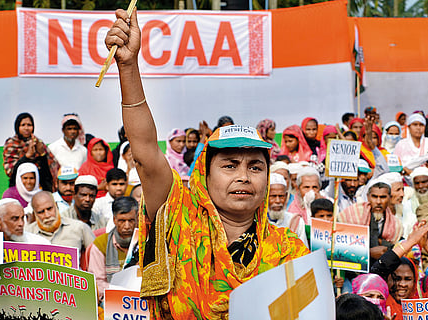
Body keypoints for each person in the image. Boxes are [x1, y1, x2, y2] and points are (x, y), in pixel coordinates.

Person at [104, 10, 309, 318]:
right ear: (204, 173)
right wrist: (129, 67)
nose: (243, 177)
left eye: (255, 167)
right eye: (229, 165)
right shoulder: (179, 218)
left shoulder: (289, 252)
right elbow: (145, 154)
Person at [371, 218, 428, 318]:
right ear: (386, 279)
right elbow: (378, 269)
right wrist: (411, 242)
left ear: (415, 281)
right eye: (396, 278)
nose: (402, 284)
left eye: (408, 279)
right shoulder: (380, 300)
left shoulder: (424, 303)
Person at [338, 182, 403, 263]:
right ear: (368, 197)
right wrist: (368, 253)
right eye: (374, 197)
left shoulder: (396, 224)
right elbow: (341, 244)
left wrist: (383, 244)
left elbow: (397, 249)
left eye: (383, 197)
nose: (378, 202)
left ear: (389, 198)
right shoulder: (352, 214)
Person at [89, 196, 138, 300]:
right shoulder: (100, 244)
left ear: (137, 219)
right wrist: (121, 291)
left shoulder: (145, 242)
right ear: (114, 220)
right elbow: (98, 282)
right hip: (111, 299)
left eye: (131, 220)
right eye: (122, 221)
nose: (127, 226)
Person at [3, 112, 58, 191]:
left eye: (29, 125)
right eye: (23, 125)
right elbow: (11, 172)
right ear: (17, 127)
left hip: (40, 188)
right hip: (18, 189)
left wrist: (42, 154)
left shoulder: (38, 143)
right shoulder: (11, 144)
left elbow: (49, 170)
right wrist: (27, 156)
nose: (26, 128)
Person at [27, 191, 95, 254]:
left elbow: (98, 254)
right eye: (41, 212)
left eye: (49, 209)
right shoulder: (27, 233)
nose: (47, 215)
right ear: (35, 214)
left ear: (56, 206)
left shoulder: (79, 228)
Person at [267, 173, 307, 245]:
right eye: (273, 196)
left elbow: (304, 252)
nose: (278, 201)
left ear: (286, 196)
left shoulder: (295, 221)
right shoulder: (258, 222)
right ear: (265, 196)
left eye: (281, 196)